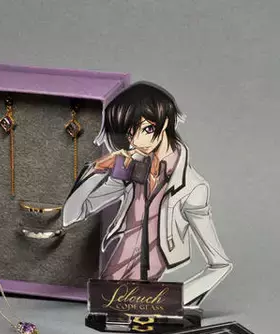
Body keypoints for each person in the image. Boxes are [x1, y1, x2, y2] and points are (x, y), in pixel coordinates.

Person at [62, 82, 232, 305]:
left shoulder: (192, 188)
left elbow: (220, 264)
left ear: (165, 123)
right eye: (129, 132)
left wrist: (174, 300)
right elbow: (72, 214)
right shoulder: (133, 166)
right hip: (109, 289)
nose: (134, 141)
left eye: (146, 129)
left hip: (148, 294)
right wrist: (96, 169)